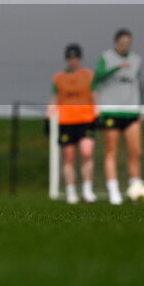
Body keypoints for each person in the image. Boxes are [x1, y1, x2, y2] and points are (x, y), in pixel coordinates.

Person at [92, 28, 144, 205]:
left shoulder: (137, 60)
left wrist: (139, 109)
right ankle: (113, 191)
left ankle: (136, 190)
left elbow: (136, 84)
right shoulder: (106, 58)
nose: (125, 46)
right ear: (116, 43)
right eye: (122, 43)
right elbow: (96, 78)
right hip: (111, 111)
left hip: (131, 111)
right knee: (111, 151)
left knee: (136, 152)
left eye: (128, 43)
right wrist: (115, 68)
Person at [52, 43, 98, 204]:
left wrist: (97, 113)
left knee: (86, 152)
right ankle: (71, 191)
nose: (73, 61)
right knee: (69, 156)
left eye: (76, 57)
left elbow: (94, 95)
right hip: (66, 120)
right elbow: (54, 98)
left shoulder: (89, 76)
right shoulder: (58, 78)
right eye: (70, 58)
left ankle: (87, 189)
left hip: (86, 119)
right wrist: (48, 116)